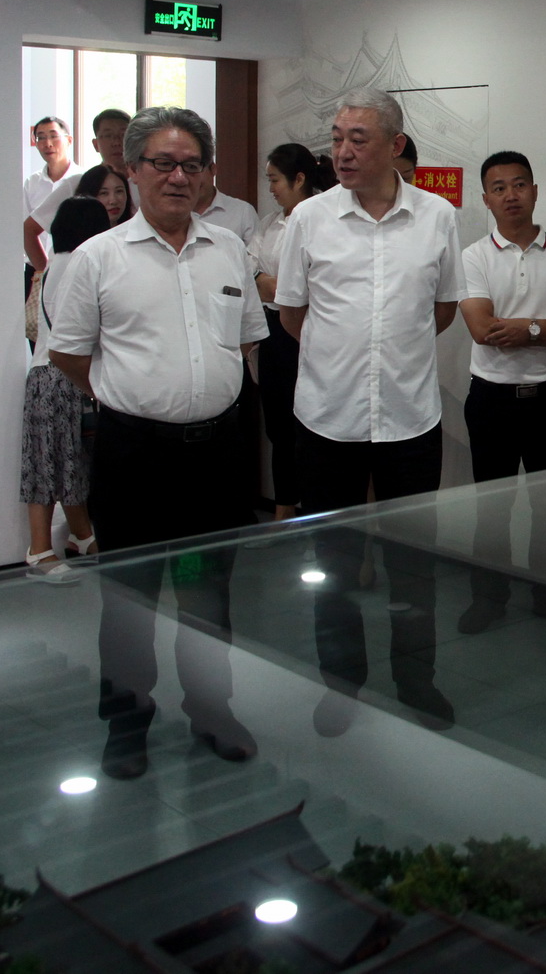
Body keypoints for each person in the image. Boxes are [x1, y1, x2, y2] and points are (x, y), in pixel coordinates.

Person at [46, 106, 267, 780]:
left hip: (215, 460)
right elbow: (69, 355)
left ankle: (211, 709)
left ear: (206, 173)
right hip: (135, 458)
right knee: (130, 598)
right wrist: (134, 395)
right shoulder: (99, 257)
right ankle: (127, 725)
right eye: (163, 163)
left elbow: (246, 341)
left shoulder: (228, 249)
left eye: (191, 165)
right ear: (132, 169)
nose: (178, 176)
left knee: (205, 591)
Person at [276, 87, 461, 731]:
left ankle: (416, 680)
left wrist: (389, 355)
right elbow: (293, 313)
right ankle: (341, 681)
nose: (343, 152)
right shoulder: (309, 219)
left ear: (395, 145)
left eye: (359, 139)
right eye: (337, 139)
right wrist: (344, 358)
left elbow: (442, 309)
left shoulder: (437, 216)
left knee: (414, 565)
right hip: (329, 420)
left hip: (410, 419)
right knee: (333, 563)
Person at [457, 150, 546, 633]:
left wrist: (533, 331)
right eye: (499, 188)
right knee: (492, 508)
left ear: (534, 191)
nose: (510, 195)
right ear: (486, 200)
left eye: (519, 185)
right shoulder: (473, 257)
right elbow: (482, 330)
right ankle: (488, 598)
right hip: (491, 400)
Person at [18, 196, 111, 583]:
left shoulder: (55, 263)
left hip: (49, 375)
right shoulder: (78, 265)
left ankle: (81, 535)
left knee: (67, 460)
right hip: (61, 375)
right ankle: (39, 549)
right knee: (49, 463)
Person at [249, 142, 332, 520]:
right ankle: (283, 513)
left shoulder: (322, 218)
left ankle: (315, 514)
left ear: (299, 179)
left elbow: (315, 284)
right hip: (273, 331)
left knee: (312, 426)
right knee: (279, 427)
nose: (270, 188)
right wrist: (269, 284)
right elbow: (249, 270)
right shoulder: (269, 224)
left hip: (311, 327)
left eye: (275, 180)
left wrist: (277, 286)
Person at [25, 108, 130, 272]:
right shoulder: (77, 183)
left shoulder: (144, 184)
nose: (116, 142)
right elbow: (29, 229)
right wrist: (43, 273)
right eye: (108, 135)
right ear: (95, 144)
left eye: (123, 135)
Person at [22, 116, 72, 295]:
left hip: (70, 268)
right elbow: (25, 228)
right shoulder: (32, 183)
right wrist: (43, 271)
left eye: (53, 136)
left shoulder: (82, 179)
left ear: (69, 140)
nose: (47, 143)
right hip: (36, 269)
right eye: (41, 138)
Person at [195, 160, 260, 243]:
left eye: (194, 167)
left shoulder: (243, 212)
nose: (191, 179)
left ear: (213, 169)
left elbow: (255, 250)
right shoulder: (178, 212)